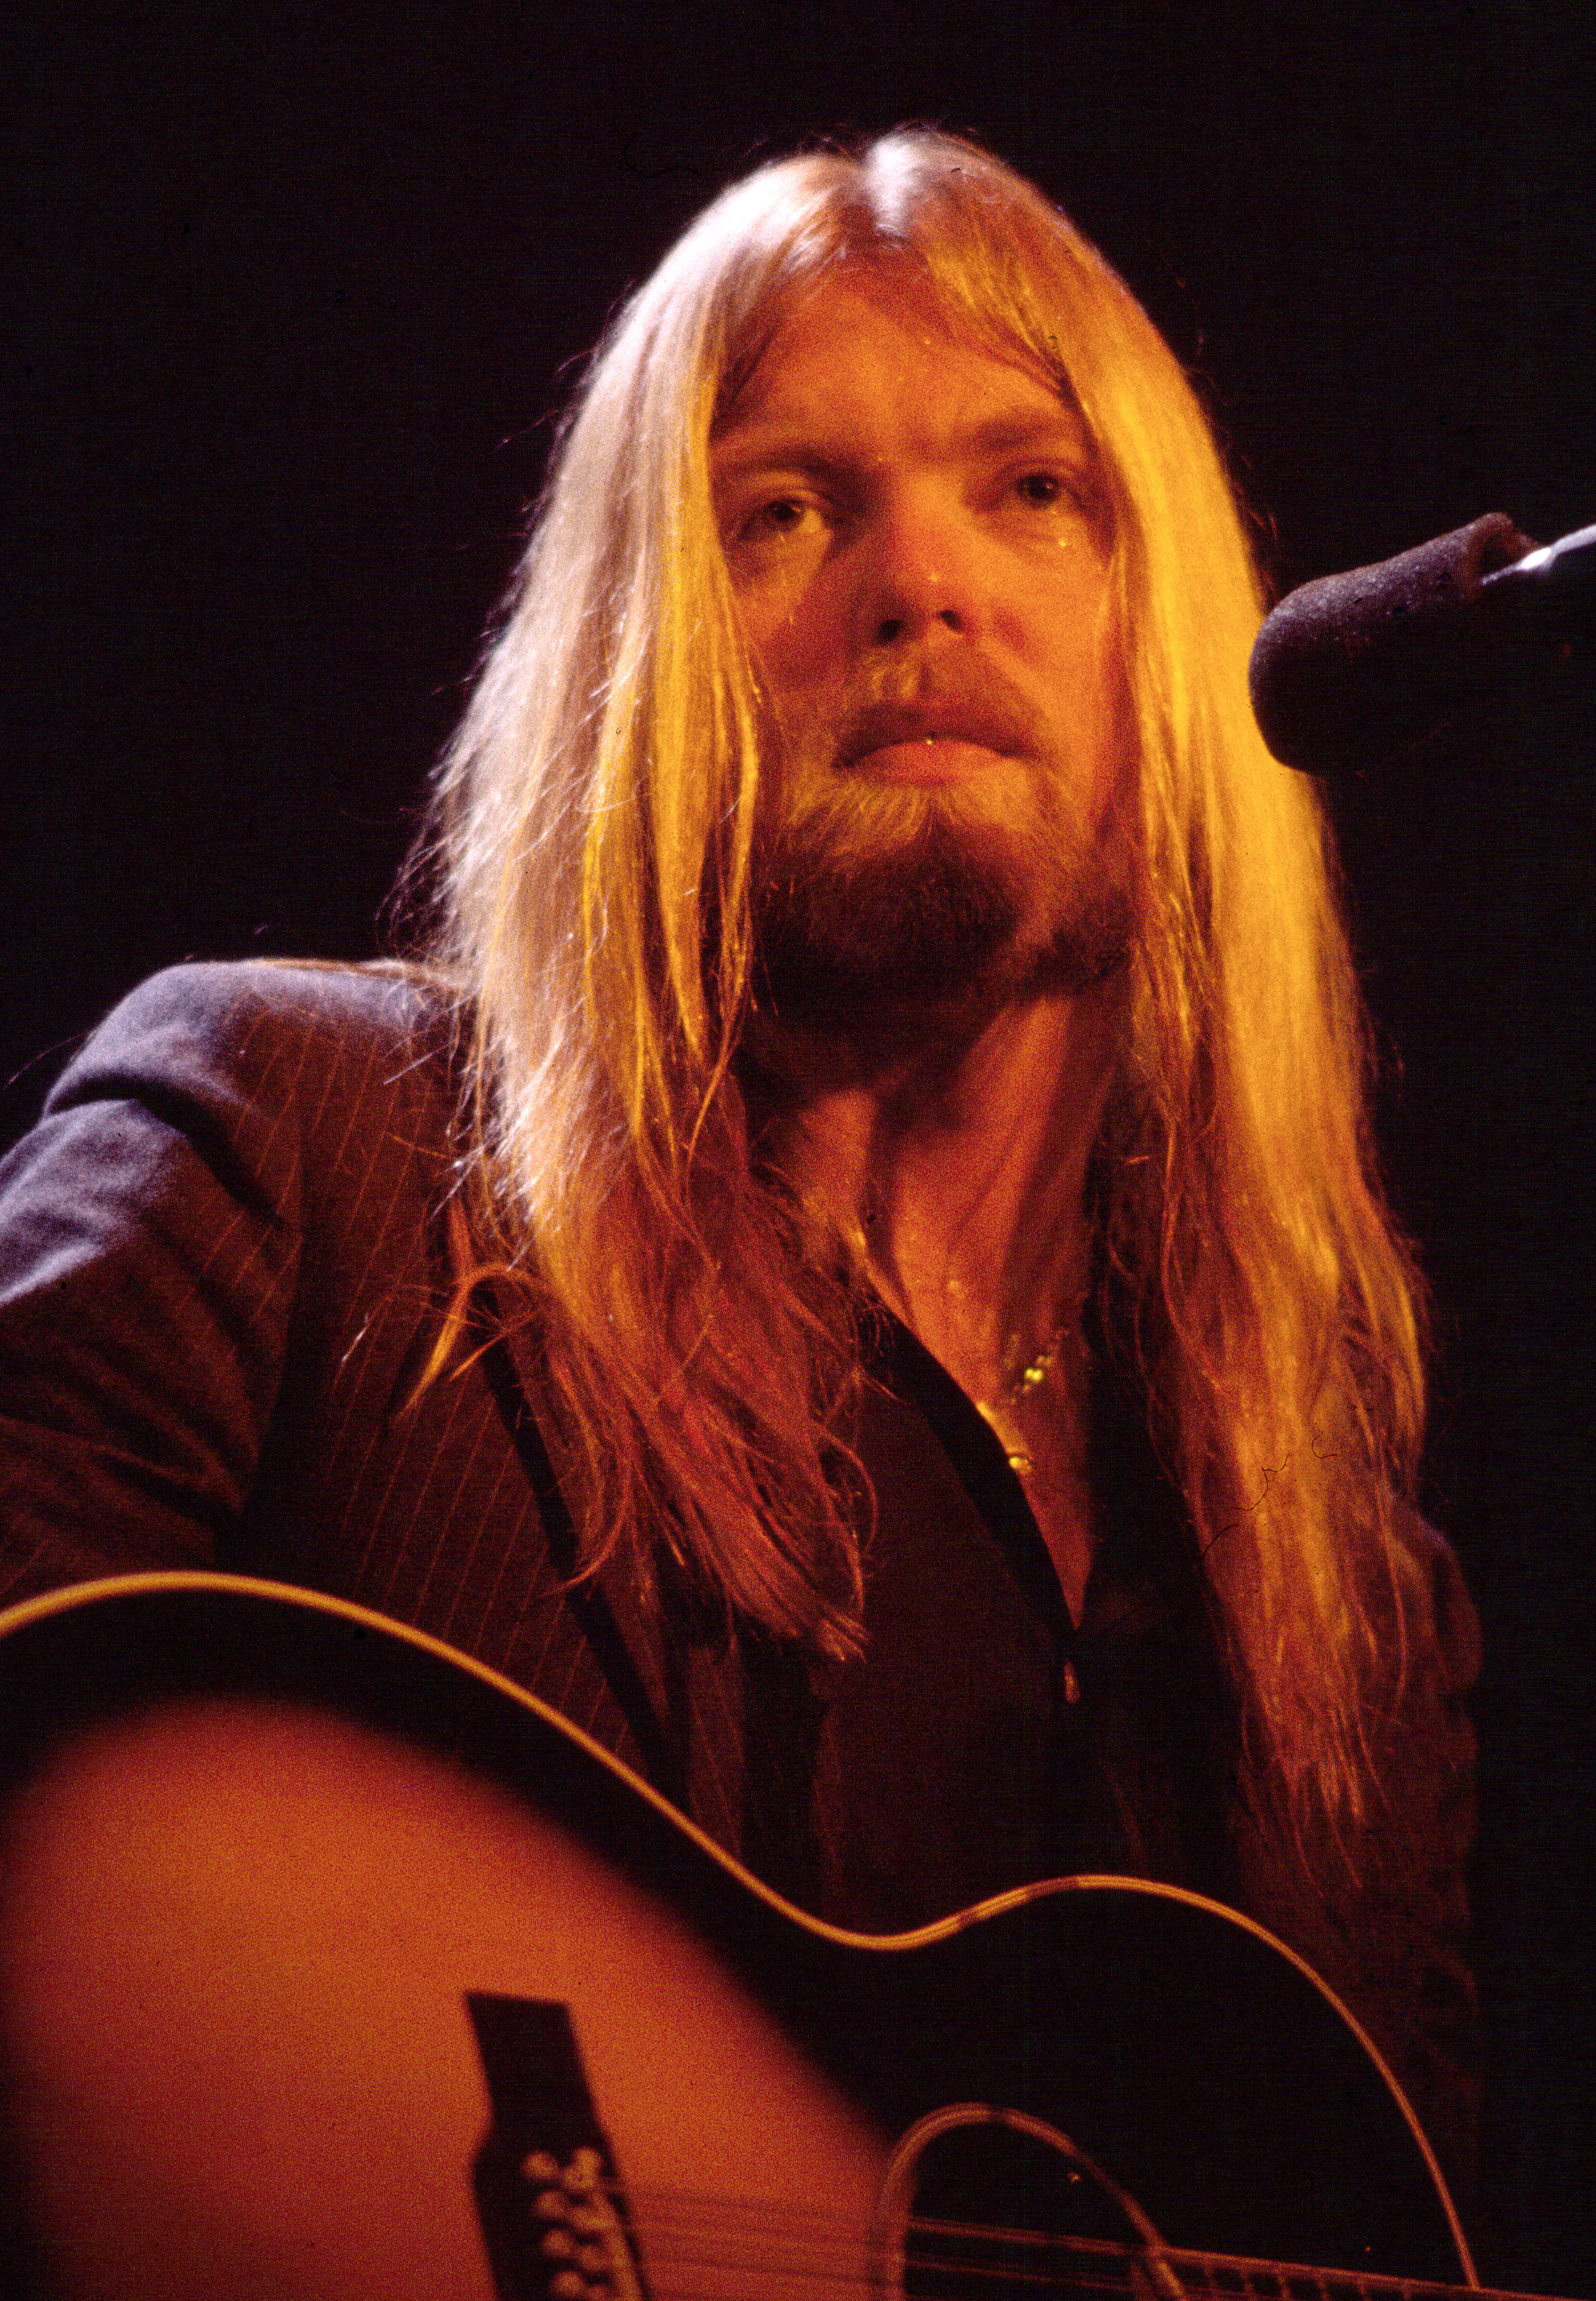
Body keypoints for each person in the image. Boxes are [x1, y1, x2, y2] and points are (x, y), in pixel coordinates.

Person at [0, 131, 1478, 2196]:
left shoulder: (1331, 1596)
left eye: (1033, 492)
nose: (921, 586)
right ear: (636, 660)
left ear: (1177, 633)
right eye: (781, 512)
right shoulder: (291, 1149)